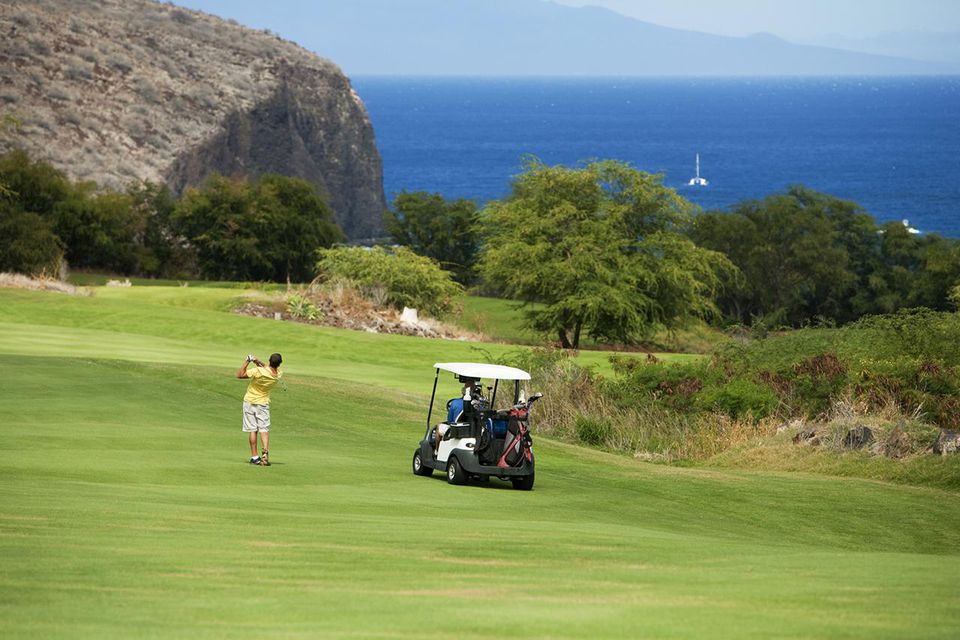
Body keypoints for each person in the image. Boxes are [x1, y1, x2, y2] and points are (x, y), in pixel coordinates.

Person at [237, 353, 283, 466]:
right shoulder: (279, 374)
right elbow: (267, 368)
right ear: (279, 364)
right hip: (262, 404)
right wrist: (257, 360)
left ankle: (254, 457)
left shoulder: (257, 371)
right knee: (264, 429)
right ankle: (265, 455)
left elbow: (240, 375)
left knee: (253, 430)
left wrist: (248, 360)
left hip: (249, 401)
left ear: (269, 360)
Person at [434, 377, 477, 455]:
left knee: (438, 427)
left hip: (456, 430)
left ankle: (437, 451)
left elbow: (450, 421)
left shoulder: (455, 403)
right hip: (473, 430)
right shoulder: (478, 404)